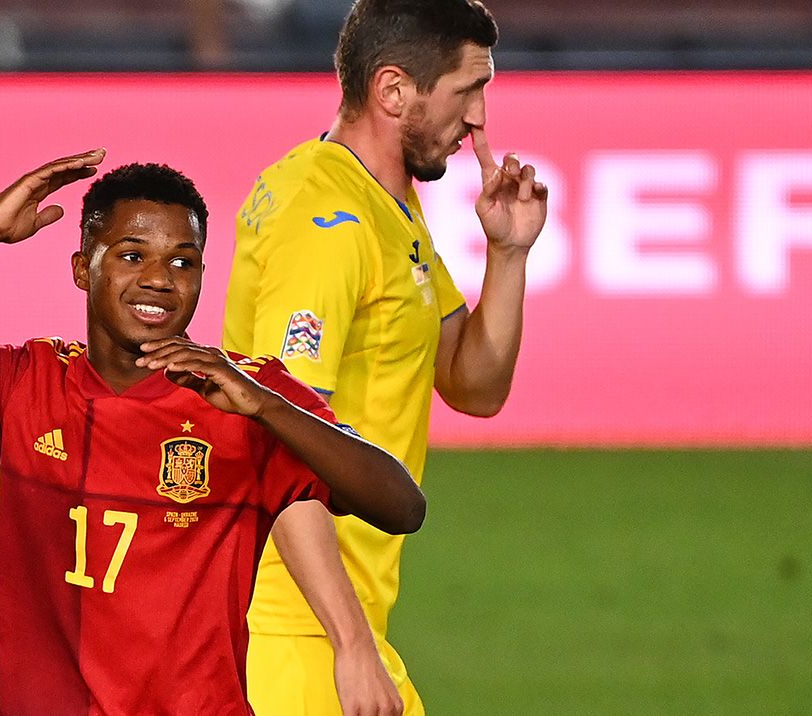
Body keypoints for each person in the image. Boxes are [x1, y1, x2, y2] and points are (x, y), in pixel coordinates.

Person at [0, 149, 427, 715]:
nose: (160, 278)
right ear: (84, 270)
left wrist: (270, 409)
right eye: (132, 255)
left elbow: (402, 506)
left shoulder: (244, 396)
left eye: (182, 261)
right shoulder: (22, 383)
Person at [222, 1, 549, 714]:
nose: (480, 119)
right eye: (467, 91)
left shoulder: (385, 200)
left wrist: (508, 254)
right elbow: (273, 434)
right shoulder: (325, 222)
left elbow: (472, 383)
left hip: (335, 624)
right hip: (293, 632)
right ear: (393, 91)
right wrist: (351, 647)